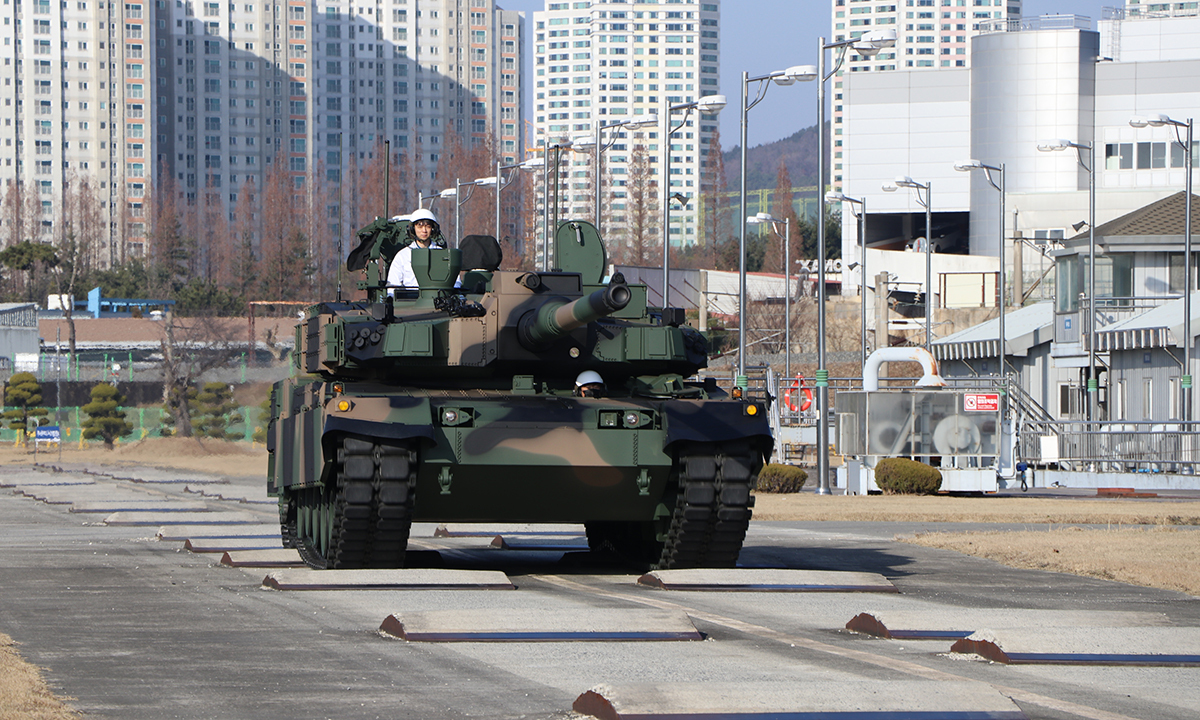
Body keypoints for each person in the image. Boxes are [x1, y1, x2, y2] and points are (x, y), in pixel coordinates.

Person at [387, 208, 444, 291]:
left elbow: (456, 282)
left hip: (437, 298)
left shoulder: (442, 253)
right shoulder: (403, 256)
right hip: (411, 298)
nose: (424, 230)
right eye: (420, 226)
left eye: (428, 226)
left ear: (433, 229)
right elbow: (393, 284)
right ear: (413, 229)